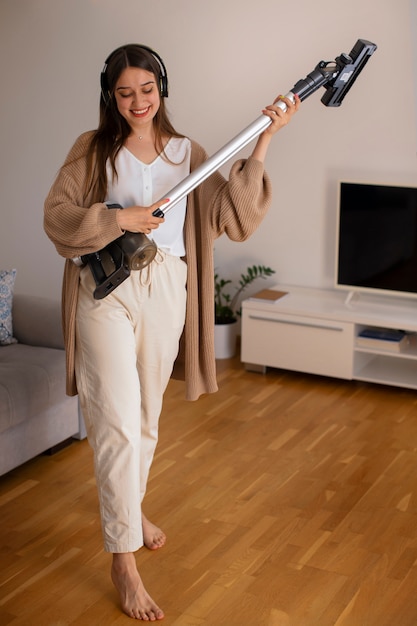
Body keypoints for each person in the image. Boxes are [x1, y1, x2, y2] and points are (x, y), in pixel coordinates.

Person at [44, 43, 300, 621]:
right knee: (114, 421)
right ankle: (123, 560)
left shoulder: (192, 154)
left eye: (147, 89)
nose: (137, 102)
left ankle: (129, 512)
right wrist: (120, 219)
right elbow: (57, 217)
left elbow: (233, 218)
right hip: (104, 289)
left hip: (167, 289)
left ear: (162, 88)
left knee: (145, 421)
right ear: (110, 96)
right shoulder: (92, 150)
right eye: (124, 92)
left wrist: (266, 138)